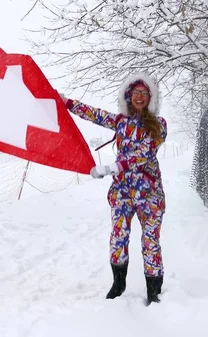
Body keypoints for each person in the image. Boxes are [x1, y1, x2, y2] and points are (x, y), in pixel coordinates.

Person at [60, 73, 167, 305]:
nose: (139, 97)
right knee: (118, 237)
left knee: (150, 241)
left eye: (144, 93)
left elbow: (144, 155)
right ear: (128, 96)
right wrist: (66, 103)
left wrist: (111, 168)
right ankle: (118, 283)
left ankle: (154, 291)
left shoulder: (159, 125)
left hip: (150, 195)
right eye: (135, 93)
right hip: (122, 193)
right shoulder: (120, 121)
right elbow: (94, 114)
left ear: (151, 98)